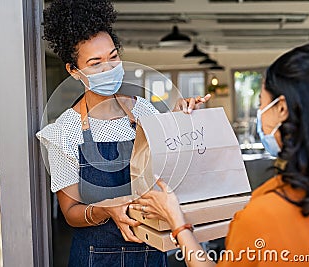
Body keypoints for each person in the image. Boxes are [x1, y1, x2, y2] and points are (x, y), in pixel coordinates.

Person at [37, 0, 210, 266]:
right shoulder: (64, 132)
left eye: (113, 57)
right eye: (95, 63)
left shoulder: (143, 111)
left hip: (152, 253)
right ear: (74, 71)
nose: (108, 68)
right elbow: (70, 213)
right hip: (96, 257)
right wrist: (107, 210)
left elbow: (168, 168)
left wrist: (179, 120)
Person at [131, 41, 309, 266]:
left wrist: (178, 224)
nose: (259, 112)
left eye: (261, 103)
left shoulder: (263, 217)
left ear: (281, 109)